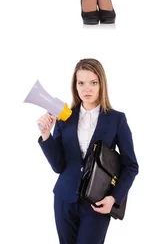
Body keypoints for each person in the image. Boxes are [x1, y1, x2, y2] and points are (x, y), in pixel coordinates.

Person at [37, 58, 138, 243]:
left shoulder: (116, 119)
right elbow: (58, 166)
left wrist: (114, 199)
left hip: (97, 203)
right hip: (64, 199)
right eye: (81, 83)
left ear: (101, 84)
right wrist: (46, 135)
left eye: (93, 82)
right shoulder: (64, 117)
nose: (87, 89)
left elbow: (131, 166)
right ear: (75, 86)